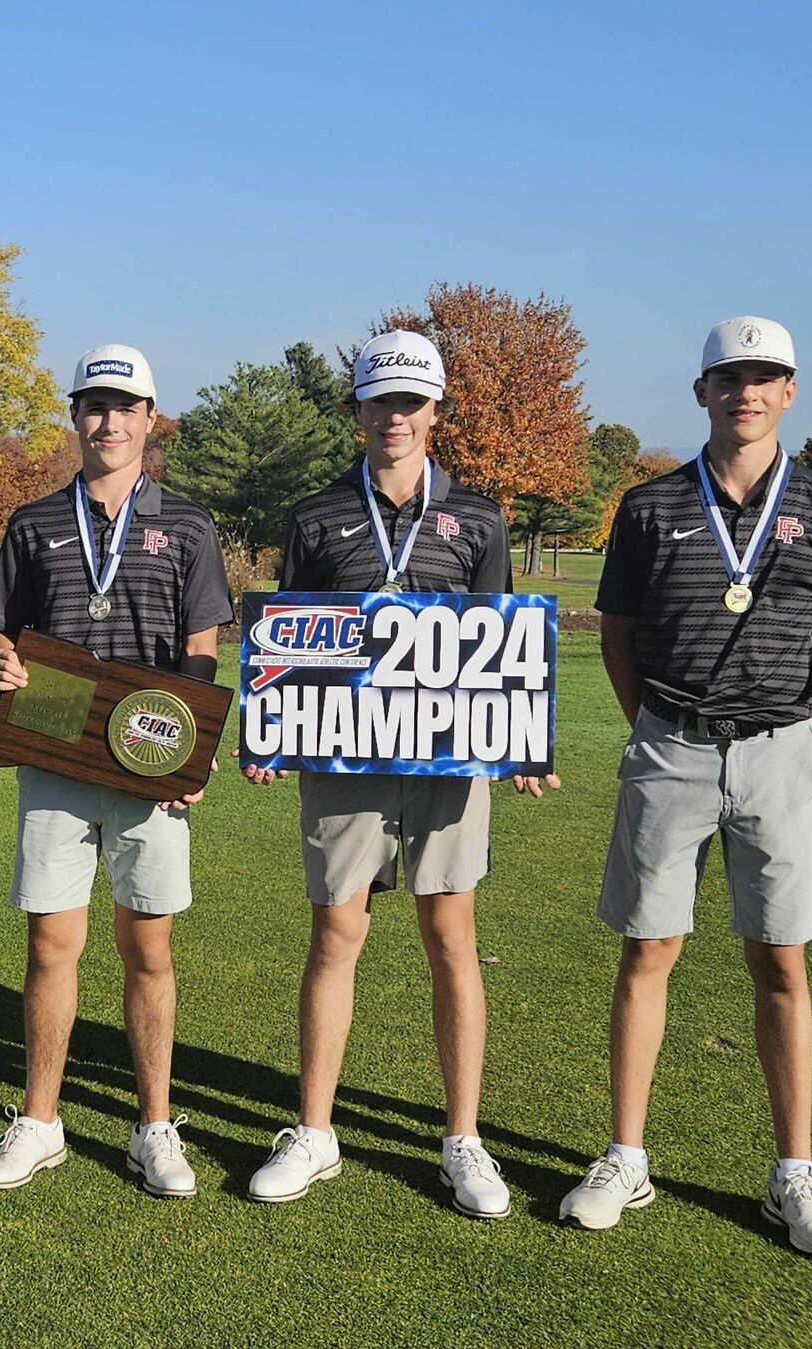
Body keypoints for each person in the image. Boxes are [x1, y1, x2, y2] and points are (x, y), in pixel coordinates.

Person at [558, 316, 812, 1260]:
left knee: (781, 958)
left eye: (764, 377)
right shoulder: (651, 505)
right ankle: (626, 1157)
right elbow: (618, 634)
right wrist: (655, 728)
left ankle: (794, 1173)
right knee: (648, 949)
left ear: (789, 391)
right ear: (702, 391)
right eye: (729, 377)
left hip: (778, 752)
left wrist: (795, 722)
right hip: (672, 747)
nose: (746, 392)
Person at [241, 330, 557, 1212]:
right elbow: (290, 638)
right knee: (336, 932)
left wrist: (518, 740)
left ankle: (464, 1140)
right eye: (381, 400)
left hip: (448, 759)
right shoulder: (316, 515)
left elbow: (500, 640)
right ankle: (315, 1131)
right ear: (358, 410)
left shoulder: (479, 518)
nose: (396, 417)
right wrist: (273, 731)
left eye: (412, 402)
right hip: (346, 753)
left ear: (435, 411)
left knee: (451, 934)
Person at [0, 344, 233, 1198]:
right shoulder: (35, 521)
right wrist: (2, 660)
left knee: (147, 946)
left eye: (126, 407)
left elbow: (200, 646)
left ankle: (154, 1125)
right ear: (76, 416)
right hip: (53, 752)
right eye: (95, 405)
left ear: (151, 419)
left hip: (149, 763)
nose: (109, 421)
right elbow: (2, 626)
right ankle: (40, 1121)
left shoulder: (188, 524)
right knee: (51, 943)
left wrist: (192, 751)